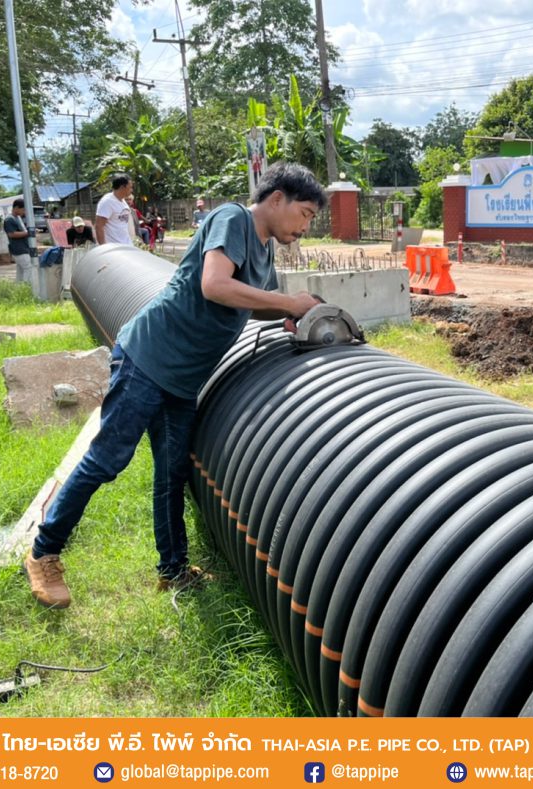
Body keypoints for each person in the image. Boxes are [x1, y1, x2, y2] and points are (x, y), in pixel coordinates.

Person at [23, 161, 327, 609]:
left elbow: (254, 305)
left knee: (171, 474)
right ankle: (43, 552)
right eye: (304, 213)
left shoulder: (264, 252)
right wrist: (286, 300)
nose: (306, 226)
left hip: (184, 379)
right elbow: (214, 285)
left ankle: (173, 571)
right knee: (107, 460)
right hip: (148, 359)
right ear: (276, 198)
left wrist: (294, 314)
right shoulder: (233, 219)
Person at [95, 174, 134, 245]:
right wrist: (103, 248)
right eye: (130, 187)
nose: (132, 190)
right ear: (122, 187)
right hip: (114, 249)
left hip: (126, 246)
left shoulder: (123, 201)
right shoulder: (107, 201)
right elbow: (99, 226)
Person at [3, 198, 34, 284]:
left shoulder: (18, 218)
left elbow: (22, 231)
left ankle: (19, 289)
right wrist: (28, 233)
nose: (24, 212)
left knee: (21, 271)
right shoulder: (9, 219)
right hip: (19, 249)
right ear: (16, 208)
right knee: (29, 267)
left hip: (23, 248)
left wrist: (28, 232)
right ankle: (26, 288)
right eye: (23, 209)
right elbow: (11, 234)